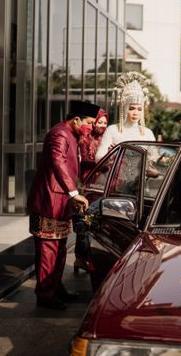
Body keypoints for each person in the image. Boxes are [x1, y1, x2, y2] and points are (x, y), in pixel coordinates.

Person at [27, 100, 100, 310]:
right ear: (76, 119)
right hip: (49, 200)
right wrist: (74, 192)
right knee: (48, 250)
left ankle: (56, 289)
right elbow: (58, 162)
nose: (90, 127)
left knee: (59, 250)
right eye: (88, 122)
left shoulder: (73, 135)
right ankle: (45, 295)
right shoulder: (59, 134)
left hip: (61, 202)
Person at [73, 108, 107, 274]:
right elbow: (87, 158)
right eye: (99, 122)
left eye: (105, 123)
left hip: (104, 185)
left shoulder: (107, 138)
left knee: (96, 222)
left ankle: (87, 257)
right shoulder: (86, 137)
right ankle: (81, 257)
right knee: (84, 219)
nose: (101, 125)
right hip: (88, 184)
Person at [95, 72, 155, 161]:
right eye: (132, 108)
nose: (135, 113)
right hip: (116, 174)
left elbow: (154, 158)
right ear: (125, 108)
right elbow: (98, 158)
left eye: (139, 109)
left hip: (141, 174)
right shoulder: (112, 130)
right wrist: (111, 154)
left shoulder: (148, 133)